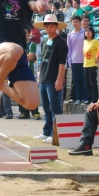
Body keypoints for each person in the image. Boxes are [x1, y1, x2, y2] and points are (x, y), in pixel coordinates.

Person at [33, 14, 68, 144]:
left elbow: (62, 63)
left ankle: (55, 134)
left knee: (55, 108)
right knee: (46, 108)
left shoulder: (60, 43)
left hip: (53, 79)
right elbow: (42, 60)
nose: (49, 28)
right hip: (43, 78)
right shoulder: (43, 42)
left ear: (56, 27)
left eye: (51, 26)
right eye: (47, 26)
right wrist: (39, 76)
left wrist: (59, 79)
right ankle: (46, 131)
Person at [17, 26, 41, 120]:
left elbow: (30, 57)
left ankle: (35, 112)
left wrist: (21, 56)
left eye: (26, 32)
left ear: (29, 33)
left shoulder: (32, 44)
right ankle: (23, 112)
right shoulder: (19, 44)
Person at [68, 15, 88, 105]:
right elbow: (69, 49)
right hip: (75, 60)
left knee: (84, 80)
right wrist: (69, 62)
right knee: (76, 81)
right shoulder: (70, 35)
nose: (75, 23)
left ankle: (85, 98)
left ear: (80, 22)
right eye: (73, 22)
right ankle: (77, 98)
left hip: (85, 60)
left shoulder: (85, 33)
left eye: (76, 21)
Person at [83, 25, 99, 104]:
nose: (88, 33)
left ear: (92, 33)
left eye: (89, 31)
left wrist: (98, 58)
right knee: (87, 83)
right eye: (86, 31)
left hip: (93, 65)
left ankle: (94, 99)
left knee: (93, 82)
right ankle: (89, 98)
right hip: (85, 65)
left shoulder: (95, 41)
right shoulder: (85, 41)